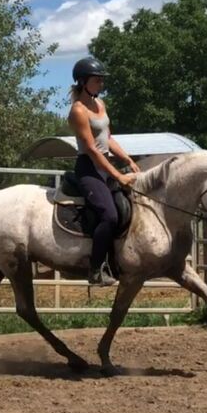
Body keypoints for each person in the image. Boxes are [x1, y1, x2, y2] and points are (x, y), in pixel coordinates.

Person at [67, 57, 139, 286]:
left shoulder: (101, 105)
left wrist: (127, 159)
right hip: (88, 168)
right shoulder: (78, 110)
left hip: (104, 164)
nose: (101, 84)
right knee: (109, 215)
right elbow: (90, 148)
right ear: (83, 81)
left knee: (127, 207)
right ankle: (95, 270)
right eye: (97, 80)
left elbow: (106, 139)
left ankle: (117, 261)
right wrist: (117, 175)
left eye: (101, 80)